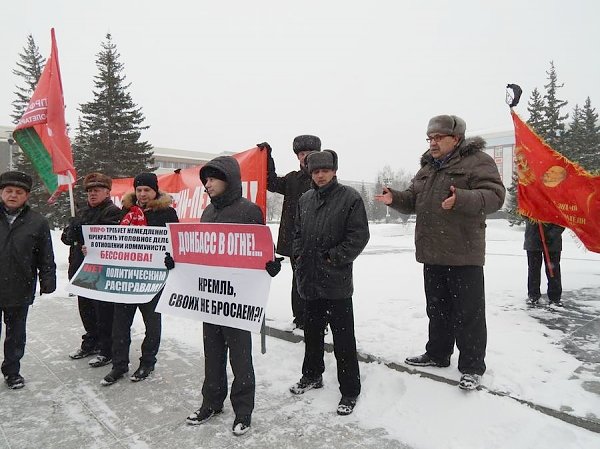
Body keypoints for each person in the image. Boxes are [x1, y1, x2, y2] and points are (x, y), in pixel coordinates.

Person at [375, 115, 505, 391]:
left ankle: (471, 367)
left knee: (468, 313)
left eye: (438, 137)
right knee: (437, 309)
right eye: (429, 138)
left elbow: (495, 196)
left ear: (456, 138)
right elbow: (413, 199)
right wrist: (394, 198)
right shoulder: (428, 167)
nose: (432, 143)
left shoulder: (477, 161)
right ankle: (437, 353)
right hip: (432, 251)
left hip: (463, 252)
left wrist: (462, 199)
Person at [182, 156, 281, 436]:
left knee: (240, 358)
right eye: (205, 180)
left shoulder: (249, 211)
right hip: (211, 299)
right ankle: (211, 402)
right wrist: (176, 262)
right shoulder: (207, 214)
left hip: (238, 301)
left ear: (229, 179)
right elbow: (198, 252)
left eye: (212, 179)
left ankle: (243, 411)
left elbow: (261, 249)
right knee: (212, 355)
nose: (207, 185)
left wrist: (269, 265)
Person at [289, 150, 370, 416]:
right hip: (309, 280)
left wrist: (332, 258)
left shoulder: (350, 198)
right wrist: (299, 255)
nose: (320, 175)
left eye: (325, 170)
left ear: (334, 170)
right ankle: (312, 375)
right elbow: (298, 232)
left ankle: (350, 390)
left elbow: (358, 236)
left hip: (335, 282)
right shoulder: (305, 199)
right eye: (315, 171)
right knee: (312, 334)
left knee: (343, 338)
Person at [102, 172, 179, 386]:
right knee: (120, 325)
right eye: (139, 190)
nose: (143, 194)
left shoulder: (167, 213)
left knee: (152, 324)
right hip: (127, 278)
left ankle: (148, 362)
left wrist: (170, 259)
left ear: (155, 191)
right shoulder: (125, 212)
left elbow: (175, 243)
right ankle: (119, 365)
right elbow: (112, 240)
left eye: (147, 190)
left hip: (152, 280)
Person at [258, 135, 321, 330]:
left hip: (320, 240)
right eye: (301, 154)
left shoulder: (323, 177)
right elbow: (271, 182)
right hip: (296, 241)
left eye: (309, 153)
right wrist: (267, 157)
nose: (305, 157)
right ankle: (301, 318)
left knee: (319, 280)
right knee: (299, 278)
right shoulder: (293, 179)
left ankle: (319, 318)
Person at [0, 171, 56, 389]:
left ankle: (12, 371)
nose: (13, 195)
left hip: (20, 286)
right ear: (2, 192)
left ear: (27, 196)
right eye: (9, 191)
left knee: (16, 335)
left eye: (19, 192)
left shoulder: (38, 222)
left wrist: (48, 278)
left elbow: (45, 254)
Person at [62, 173, 122, 366]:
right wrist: (71, 229)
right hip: (81, 268)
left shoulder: (113, 211)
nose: (92, 194)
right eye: (89, 191)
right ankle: (91, 341)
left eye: (96, 190)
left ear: (107, 192)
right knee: (86, 309)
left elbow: (105, 238)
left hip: (101, 272)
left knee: (103, 313)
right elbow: (66, 240)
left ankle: (107, 348)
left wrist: (82, 228)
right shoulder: (81, 211)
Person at [524, 219, 564, 306]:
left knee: (553, 270)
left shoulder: (557, 205)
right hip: (533, 239)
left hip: (552, 242)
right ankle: (533, 296)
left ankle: (555, 297)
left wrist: (551, 234)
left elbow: (562, 220)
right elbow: (524, 212)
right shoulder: (530, 205)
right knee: (533, 270)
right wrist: (533, 218)